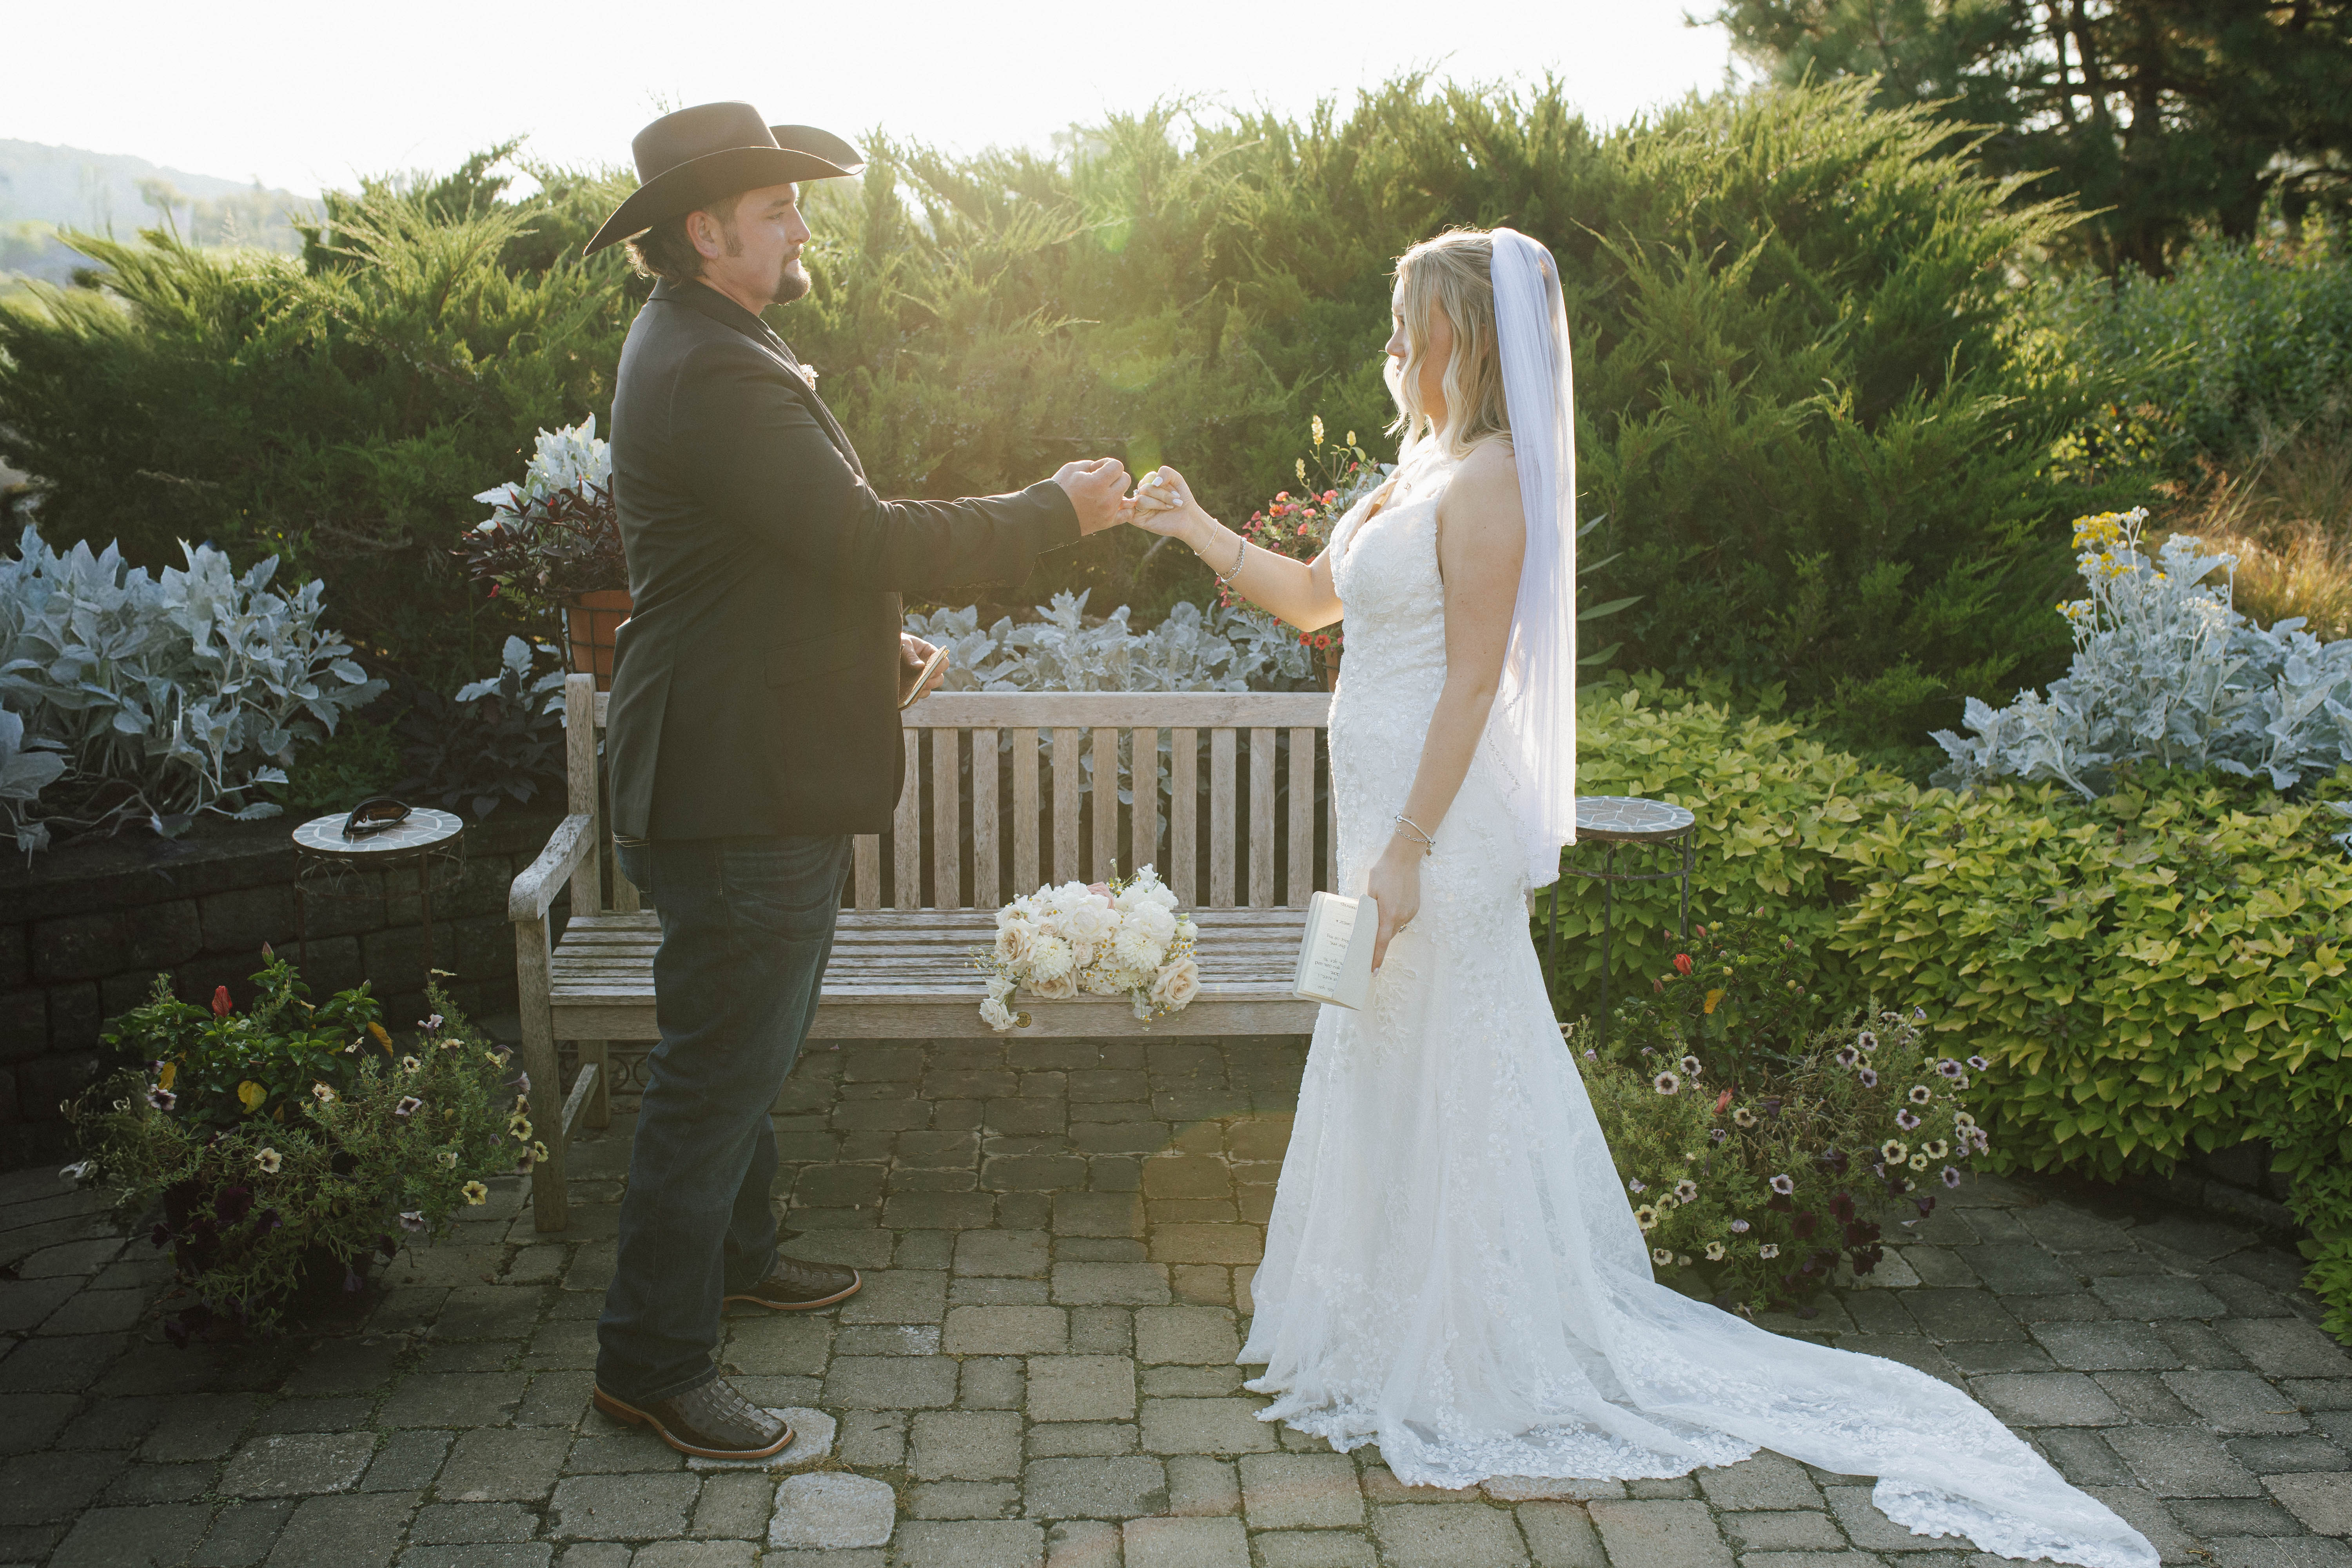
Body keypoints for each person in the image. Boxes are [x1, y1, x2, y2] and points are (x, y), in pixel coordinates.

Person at [1125, 227, 2158, 1568]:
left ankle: (1475, 1346)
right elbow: (1321, 605)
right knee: (1386, 1048)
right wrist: (1191, 523)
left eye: (1410, 319)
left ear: (1467, 337)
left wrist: (1407, 851)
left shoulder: (1492, 480)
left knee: (1449, 1051)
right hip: (1381, 816)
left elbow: (1469, 682)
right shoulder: (1415, 469)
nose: (1390, 341)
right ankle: (1387, 1317)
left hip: (1439, 830)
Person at [578, 102, 1132, 1461]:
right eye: (779, 209)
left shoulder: (710, 342)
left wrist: (862, 640)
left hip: (735, 759)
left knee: (742, 1045)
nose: (802, 224)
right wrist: (1063, 506)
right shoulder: (714, 366)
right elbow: (868, 533)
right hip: (735, 787)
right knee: (717, 1071)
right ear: (705, 232)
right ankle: (651, 1363)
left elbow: (764, 556)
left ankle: (743, 1254)